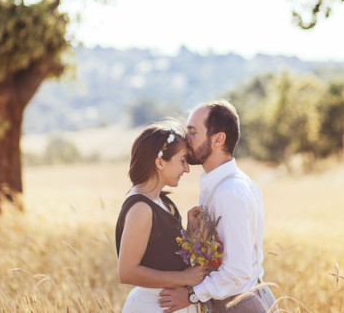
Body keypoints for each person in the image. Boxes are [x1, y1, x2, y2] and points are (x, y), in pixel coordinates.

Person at [159, 100, 278, 313]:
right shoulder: (220, 183)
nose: (186, 141)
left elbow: (237, 271)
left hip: (239, 305)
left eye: (193, 133)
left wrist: (192, 296)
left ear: (218, 139)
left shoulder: (230, 193)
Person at [115, 122, 209, 313]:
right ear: (159, 162)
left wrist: (190, 231)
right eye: (182, 161)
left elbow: (165, 255)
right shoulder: (141, 208)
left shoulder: (163, 201)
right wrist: (184, 278)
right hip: (152, 306)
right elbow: (126, 272)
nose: (187, 169)